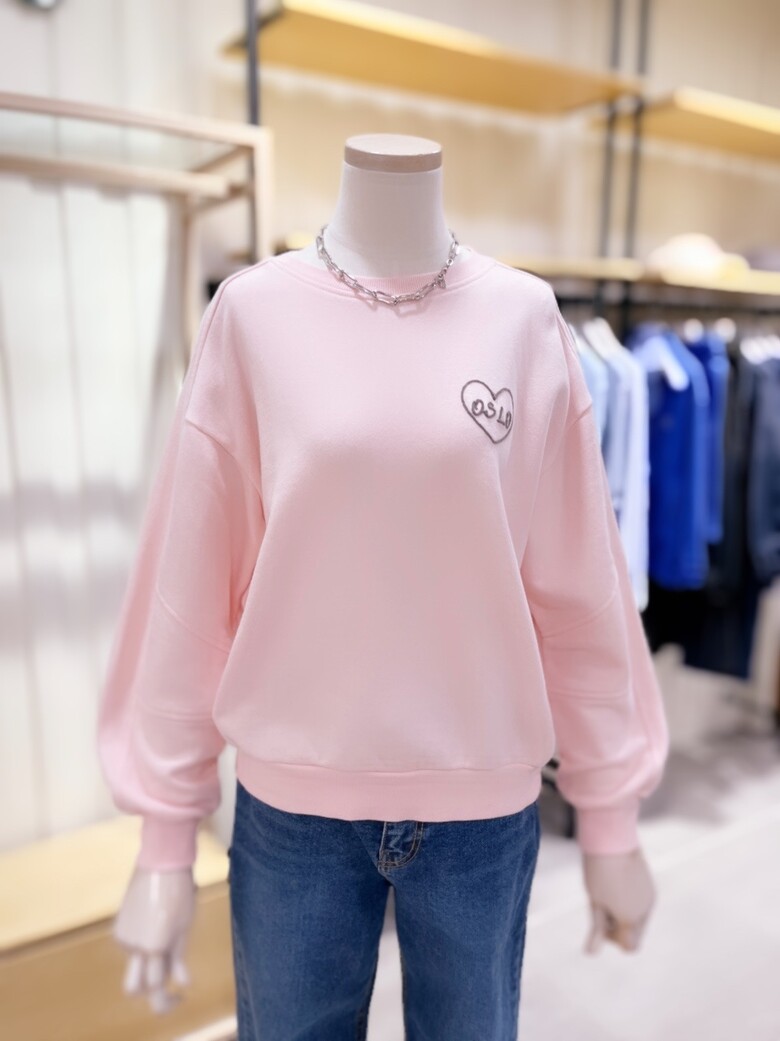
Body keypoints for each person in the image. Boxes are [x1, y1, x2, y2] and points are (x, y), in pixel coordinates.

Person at [98, 133, 669, 1040]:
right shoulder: (252, 314)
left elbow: (577, 586)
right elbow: (191, 583)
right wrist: (165, 834)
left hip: (484, 813)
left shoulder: (524, 318)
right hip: (294, 814)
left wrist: (608, 813)